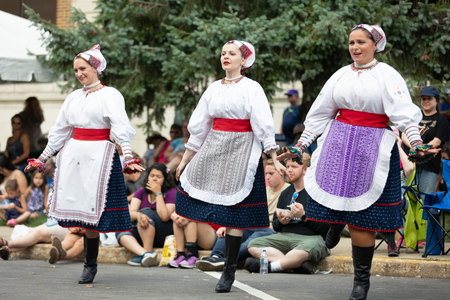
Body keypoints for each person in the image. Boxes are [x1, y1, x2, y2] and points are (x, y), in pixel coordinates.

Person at [278, 24, 438, 300]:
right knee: (336, 204)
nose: (354, 47)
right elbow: (320, 112)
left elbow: (404, 117)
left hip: (372, 147)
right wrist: (300, 144)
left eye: (361, 42)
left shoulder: (388, 75)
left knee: (362, 221)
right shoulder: (340, 75)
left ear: (375, 44)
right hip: (339, 143)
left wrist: (415, 144)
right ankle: (334, 231)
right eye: (351, 42)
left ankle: (360, 282)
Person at [25, 44, 144, 284]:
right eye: (76, 70)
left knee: (95, 214)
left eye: (83, 68)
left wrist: (128, 156)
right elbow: (60, 131)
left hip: (100, 156)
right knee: (83, 215)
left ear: (96, 67)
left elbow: (120, 127)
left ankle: (90, 266)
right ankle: (89, 265)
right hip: (74, 157)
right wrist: (42, 158)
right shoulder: (73, 97)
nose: (79, 73)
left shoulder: (110, 94)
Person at [175, 40, 284, 293]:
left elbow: (263, 124)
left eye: (232, 53)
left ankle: (228, 270)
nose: (226, 56)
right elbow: (199, 125)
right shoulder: (213, 88)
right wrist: (184, 160)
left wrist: (274, 157)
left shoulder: (252, 88)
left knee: (236, 213)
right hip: (215, 146)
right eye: (223, 53)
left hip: (243, 149)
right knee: (197, 192)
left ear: (243, 60)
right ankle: (210, 254)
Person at [196, 158, 287, 271]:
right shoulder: (263, 191)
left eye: (271, 173)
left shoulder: (287, 190)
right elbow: (248, 213)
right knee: (231, 228)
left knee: (254, 239)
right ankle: (215, 257)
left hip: (272, 229)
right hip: (255, 226)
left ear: (281, 173)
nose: (267, 177)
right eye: (266, 174)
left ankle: (228, 260)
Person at [246, 155, 330, 274]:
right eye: (288, 166)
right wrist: (281, 221)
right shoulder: (286, 193)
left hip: (310, 238)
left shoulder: (317, 193)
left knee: (300, 252)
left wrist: (304, 217)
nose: (289, 170)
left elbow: (326, 228)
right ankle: (294, 265)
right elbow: (276, 226)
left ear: (305, 170)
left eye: (294, 167)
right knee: (253, 245)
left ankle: (270, 268)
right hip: (285, 237)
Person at [116, 163, 176, 267]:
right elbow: (129, 213)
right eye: (152, 176)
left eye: (159, 177)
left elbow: (164, 217)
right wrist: (138, 215)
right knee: (121, 230)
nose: (154, 179)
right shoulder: (141, 192)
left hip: (164, 233)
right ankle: (145, 254)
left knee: (146, 213)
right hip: (144, 231)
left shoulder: (172, 192)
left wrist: (158, 193)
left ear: (165, 178)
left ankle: (147, 252)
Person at [402, 86, 448, 196]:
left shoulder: (441, 120)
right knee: (407, 197)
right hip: (410, 162)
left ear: (436, 100)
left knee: (424, 199)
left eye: (429, 99)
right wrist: (415, 149)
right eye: (423, 99)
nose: (426, 101)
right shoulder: (414, 116)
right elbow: (404, 134)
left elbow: (436, 141)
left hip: (429, 165)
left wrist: (421, 150)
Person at [0, 223, 68, 260]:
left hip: (67, 225)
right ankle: (9, 251)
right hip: (52, 222)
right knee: (30, 235)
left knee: (38, 234)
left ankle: (7, 243)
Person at [438, 87, 450, 152]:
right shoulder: (441, 104)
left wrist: (444, 113)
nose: (446, 96)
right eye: (445, 94)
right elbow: (440, 113)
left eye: (447, 94)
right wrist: (447, 112)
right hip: (444, 132)